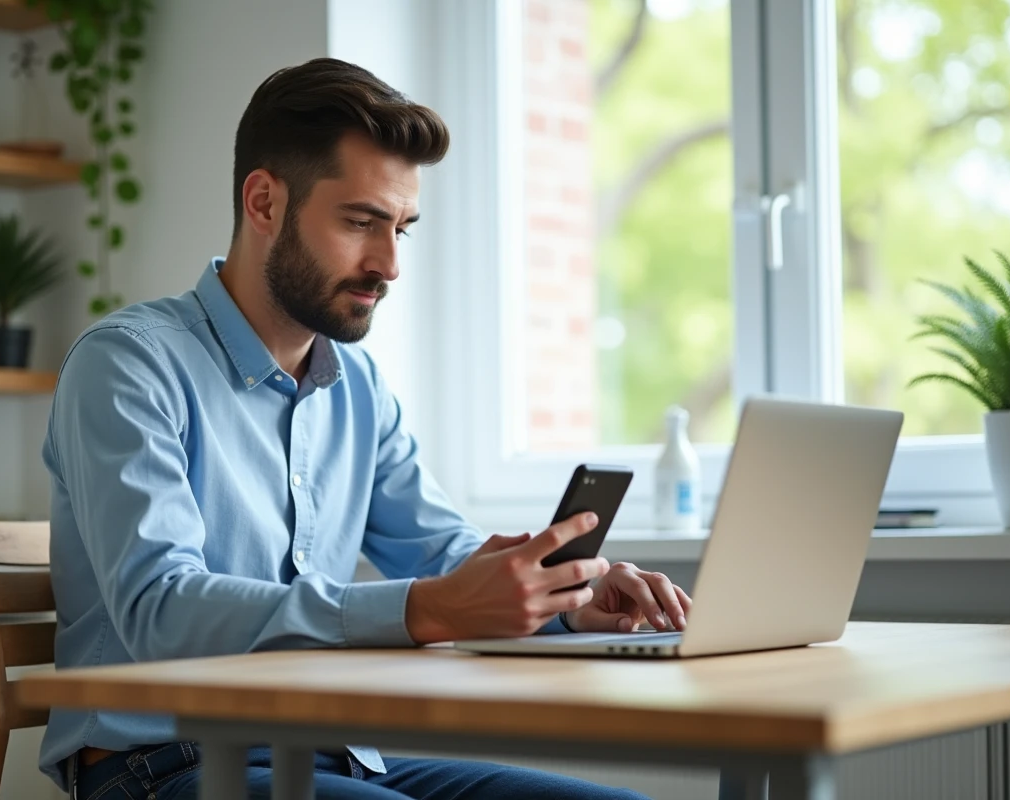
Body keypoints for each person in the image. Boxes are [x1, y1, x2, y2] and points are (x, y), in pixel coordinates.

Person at [40, 56, 692, 800]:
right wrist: (428, 607)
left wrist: (570, 601)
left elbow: (445, 556)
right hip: (166, 767)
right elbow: (161, 609)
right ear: (264, 203)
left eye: (402, 230)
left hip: (336, 759)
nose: (388, 265)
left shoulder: (358, 387)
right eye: (360, 223)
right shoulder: (127, 366)